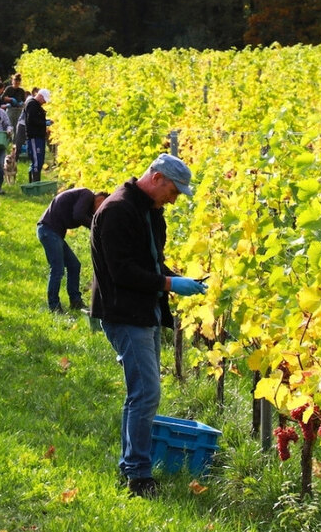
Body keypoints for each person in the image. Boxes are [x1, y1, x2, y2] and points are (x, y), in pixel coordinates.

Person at [89, 153, 207, 498]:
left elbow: (151, 263)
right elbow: (122, 271)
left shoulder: (150, 212)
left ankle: (131, 466)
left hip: (145, 311)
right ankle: (139, 475)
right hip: (125, 314)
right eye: (172, 191)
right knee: (147, 393)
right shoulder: (117, 210)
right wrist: (170, 286)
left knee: (141, 392)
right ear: (156, 178)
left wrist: (176, 278)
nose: (173, 200)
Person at [37, 188, 109, 314]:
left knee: (74, 265)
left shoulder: (86, 203)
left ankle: (75, 301)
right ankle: (54, 306)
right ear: (100, 198)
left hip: (54, 233)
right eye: (101, 206)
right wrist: (96, 227)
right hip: (48, 230)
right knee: (57, 269)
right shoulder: (87, 195)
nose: (99, 211)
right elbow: (78, 214)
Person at [24, 88, 50, 182]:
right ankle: (35, 183)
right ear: (40, 96)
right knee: (36, 162)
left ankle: (34, 182)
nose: (44, 102)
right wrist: (45, 123)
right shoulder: (32, 104)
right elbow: (32, 120)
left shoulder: (36, 105)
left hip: (39, 136)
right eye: (44, 100)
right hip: (34, 136)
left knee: (39, 161)